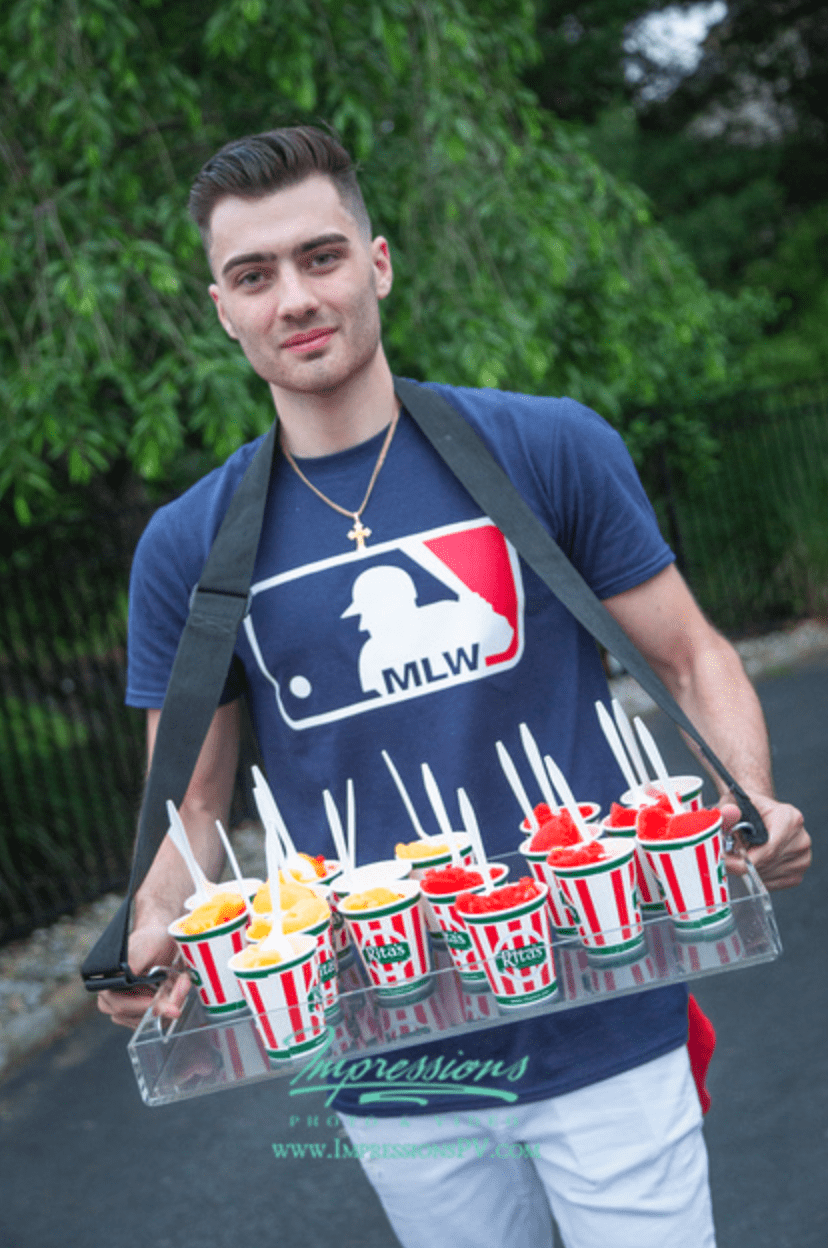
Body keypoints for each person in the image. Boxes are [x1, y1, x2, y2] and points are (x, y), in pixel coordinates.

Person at [98, 126, 810, 1247]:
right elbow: (189, 803)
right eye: (255, 275)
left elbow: (690, 655)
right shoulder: (191, 547)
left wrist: (747, 795)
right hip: (388, 1055)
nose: (296, 297)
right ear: (223, 309)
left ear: (377, 264)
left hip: (605, 1011)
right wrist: (147, 928)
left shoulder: (546, 448)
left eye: (321, 257)